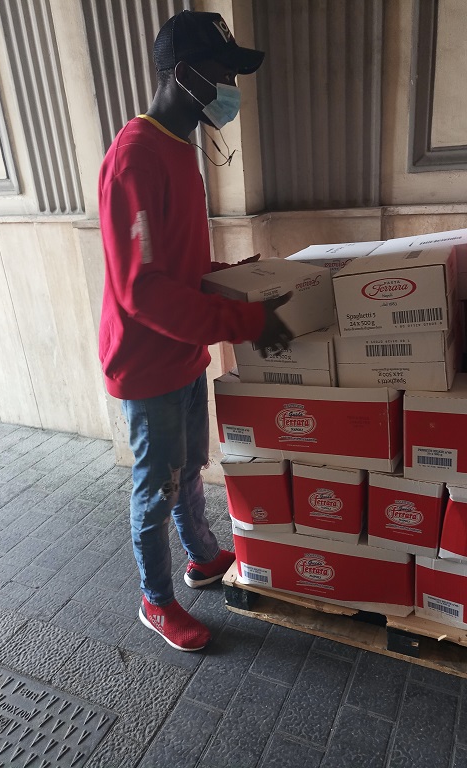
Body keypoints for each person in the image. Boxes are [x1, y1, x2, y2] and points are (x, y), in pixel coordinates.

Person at [98, 10, 292, 652]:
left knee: (188, 470)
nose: (231, 89)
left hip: (182, 353)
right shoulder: (135, 159)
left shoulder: (181, 151)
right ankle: (155, 601)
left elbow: (181, 269)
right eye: (222, 74)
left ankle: (203, 556)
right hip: (146, 362)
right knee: (157, 487)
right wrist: (245, 320)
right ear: (184, 74)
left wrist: (240, 282)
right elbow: (144, 290)